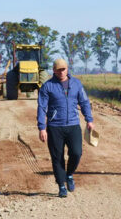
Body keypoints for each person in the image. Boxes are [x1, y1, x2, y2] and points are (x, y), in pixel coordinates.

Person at [37, 58, 94, 197]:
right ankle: (61, 185)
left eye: (64, 69)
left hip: (73, 125)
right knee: (57, 158)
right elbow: (42, 107)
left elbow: (84, 102)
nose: (61, 72)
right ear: (54, 70)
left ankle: (69, 175)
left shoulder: (76, 84)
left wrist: (89, 119)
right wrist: (42, 128)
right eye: (58, 70)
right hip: (55, 127)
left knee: (76, 152)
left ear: (67, 69)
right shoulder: (47, 86)